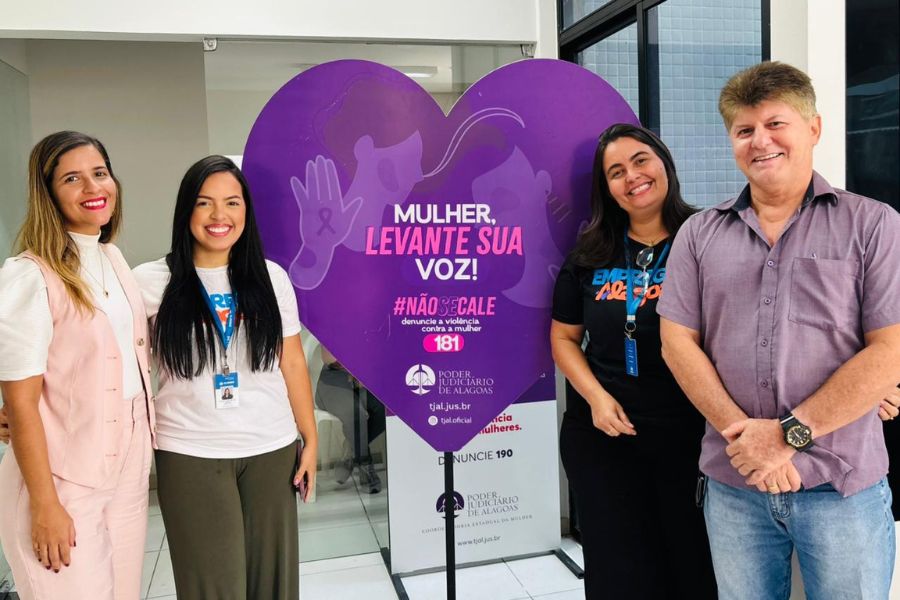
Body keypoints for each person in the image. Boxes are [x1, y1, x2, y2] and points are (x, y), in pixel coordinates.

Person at [659, 61, 900, 599]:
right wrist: (747, 440)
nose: (760, 141)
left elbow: (890, 351)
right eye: (744, 130)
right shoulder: (698, 234)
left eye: (775, 124)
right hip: (734, 486)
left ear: (813, 128)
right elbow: (676, 343)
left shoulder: (873, 224)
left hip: (842, 487)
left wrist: (787, 437)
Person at [132, 155, 317, 600]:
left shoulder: (271, 278)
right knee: (212, 587)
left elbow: (292, 363)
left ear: (246, 211)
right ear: (186, 210)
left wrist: (309, 439)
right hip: (190, 452)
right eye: (205, 203)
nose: (220, 216)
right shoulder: (148, 282)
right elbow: (109, 361)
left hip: (271, 448)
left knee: (273, 585)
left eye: (232, 202)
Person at [550, 123, 716, 599]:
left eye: (641, 160)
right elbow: (563, 337)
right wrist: (596, 399)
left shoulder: (706, 238)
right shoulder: (589, 254)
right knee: (618, 572)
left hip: (688, 436)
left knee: (691, 567)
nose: (632, 177)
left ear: (664, 163)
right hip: (604, 435)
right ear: (607, 188)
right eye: (616, 171)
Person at [0, 131, 155, 600]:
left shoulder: (113, 258)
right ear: (47, 194)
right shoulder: (29, 274)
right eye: (72, 178)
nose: (92, 188)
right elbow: (20, 402)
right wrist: (44, 505)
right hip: (61, 481)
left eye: (100, 173)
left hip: (127, 473)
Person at [314, 345, 385, 493]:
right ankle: (365, 464)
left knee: (385, 409)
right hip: (333, 381)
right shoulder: (333, 329)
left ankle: (351, 450)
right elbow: (328, 358)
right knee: (355, 414)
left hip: (363, 376)